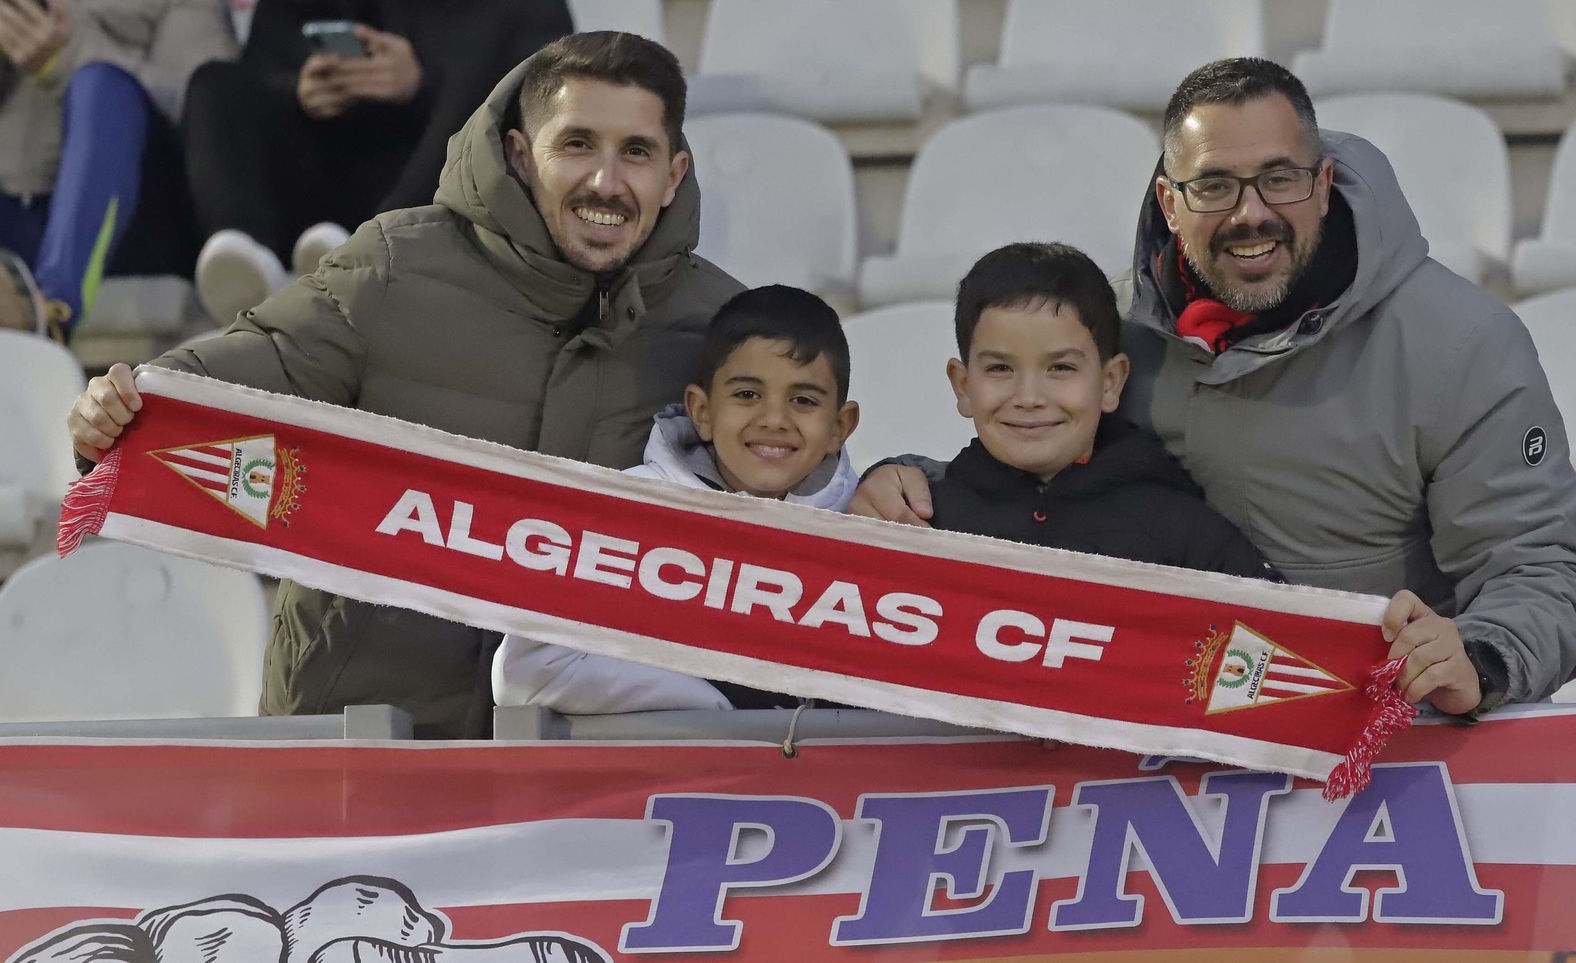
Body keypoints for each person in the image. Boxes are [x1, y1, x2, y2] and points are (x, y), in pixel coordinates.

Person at [67, 31, 745, 738]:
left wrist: (876, 478)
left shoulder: (720, 328)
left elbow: (811, 480)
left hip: (598, 779)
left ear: (674, 174)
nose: (606, 181)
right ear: (519, 153)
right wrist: (119, 412)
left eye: (635, 152)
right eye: (576, 144)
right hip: (359, 749)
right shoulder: (393, 266)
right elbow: (235, 374)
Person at [851, 58, 1576, 719]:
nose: (1250, 212)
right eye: (1214, 186)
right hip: (1149, 734)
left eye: (1280, 178)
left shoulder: (1458, 340)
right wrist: (915, 482)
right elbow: (1030, 465)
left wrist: (1479, 657)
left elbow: (1538, 562)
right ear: (1169, 202)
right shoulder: (1121, 331)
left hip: (1379, 742)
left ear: (1323, 186)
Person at [494, 284, 861, 714]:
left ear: (840, 425)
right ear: (702, 411)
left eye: (803, 400)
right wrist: (706, 707)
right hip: (668, 777)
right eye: (747, 395)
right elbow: (528, 674)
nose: (774, 419)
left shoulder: (868, 527)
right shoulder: (628, 510)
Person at [182, 0, 572, 323]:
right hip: (318, 191)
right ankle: (241, 252)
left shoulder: (518, 12)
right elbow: (267, 54)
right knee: (215, 82)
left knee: (480, 101)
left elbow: (527, 111)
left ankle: (373, 251)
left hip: (425, 197)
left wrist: (420, 86)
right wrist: (299, 87)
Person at [931, 241, 1277, 581]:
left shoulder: (1184, 533)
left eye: (1061, 368)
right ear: (963, 386)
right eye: (1000, 369)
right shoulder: (919, 523)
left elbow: (1270, 637)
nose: (1029, 397)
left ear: (1110, 382)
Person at [0, 0, 236, 341]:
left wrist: (64, 58)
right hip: (2, 203)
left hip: (130, 219)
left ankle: (52, 312)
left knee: (101, 84)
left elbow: (204, 102)